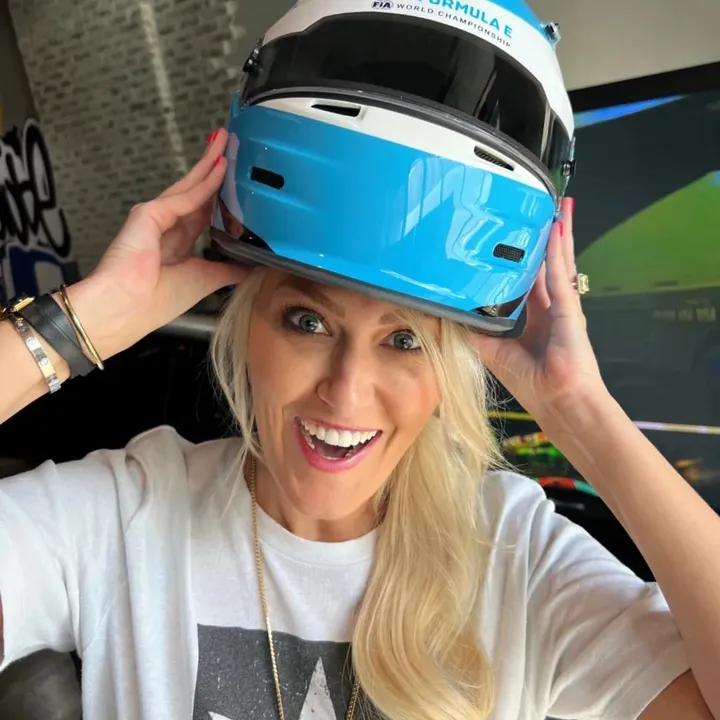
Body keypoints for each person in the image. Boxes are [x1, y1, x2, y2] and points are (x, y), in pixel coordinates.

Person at [1, 129, 719, 720]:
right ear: (247, 328)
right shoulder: (122, 516)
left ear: (449, 369)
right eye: (307, 321)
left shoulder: (514, 552)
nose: (345, 393)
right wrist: (81, 323)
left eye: (404, 339)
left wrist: (581, 412)